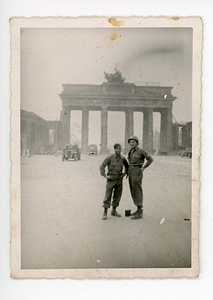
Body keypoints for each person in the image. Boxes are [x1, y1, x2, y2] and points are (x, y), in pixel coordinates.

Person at [100, 143, 129, 220]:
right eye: (117, 148)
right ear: (114, 149)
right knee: (108, 195)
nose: (119, 150)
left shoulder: (123, 158)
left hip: (119, 179)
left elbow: (127, 166)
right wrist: (105, 176)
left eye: (120, 149)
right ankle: (105, 212)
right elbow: (102, 166)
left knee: (117, 195)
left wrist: (124, 173)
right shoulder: (109, 157)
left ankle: (114, 210)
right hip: (111, 179)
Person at [127, 135, 153, 220]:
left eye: (133, 142)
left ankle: (140, 211)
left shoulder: (141, 151)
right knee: (133, 190)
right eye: (130, 142)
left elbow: (150, 159)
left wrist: (143, 167)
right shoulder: (131, 151)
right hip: (131, 172)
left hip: (137, 171)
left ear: (137, 143)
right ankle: (137, 209)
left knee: (137, 189)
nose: (131, 144)